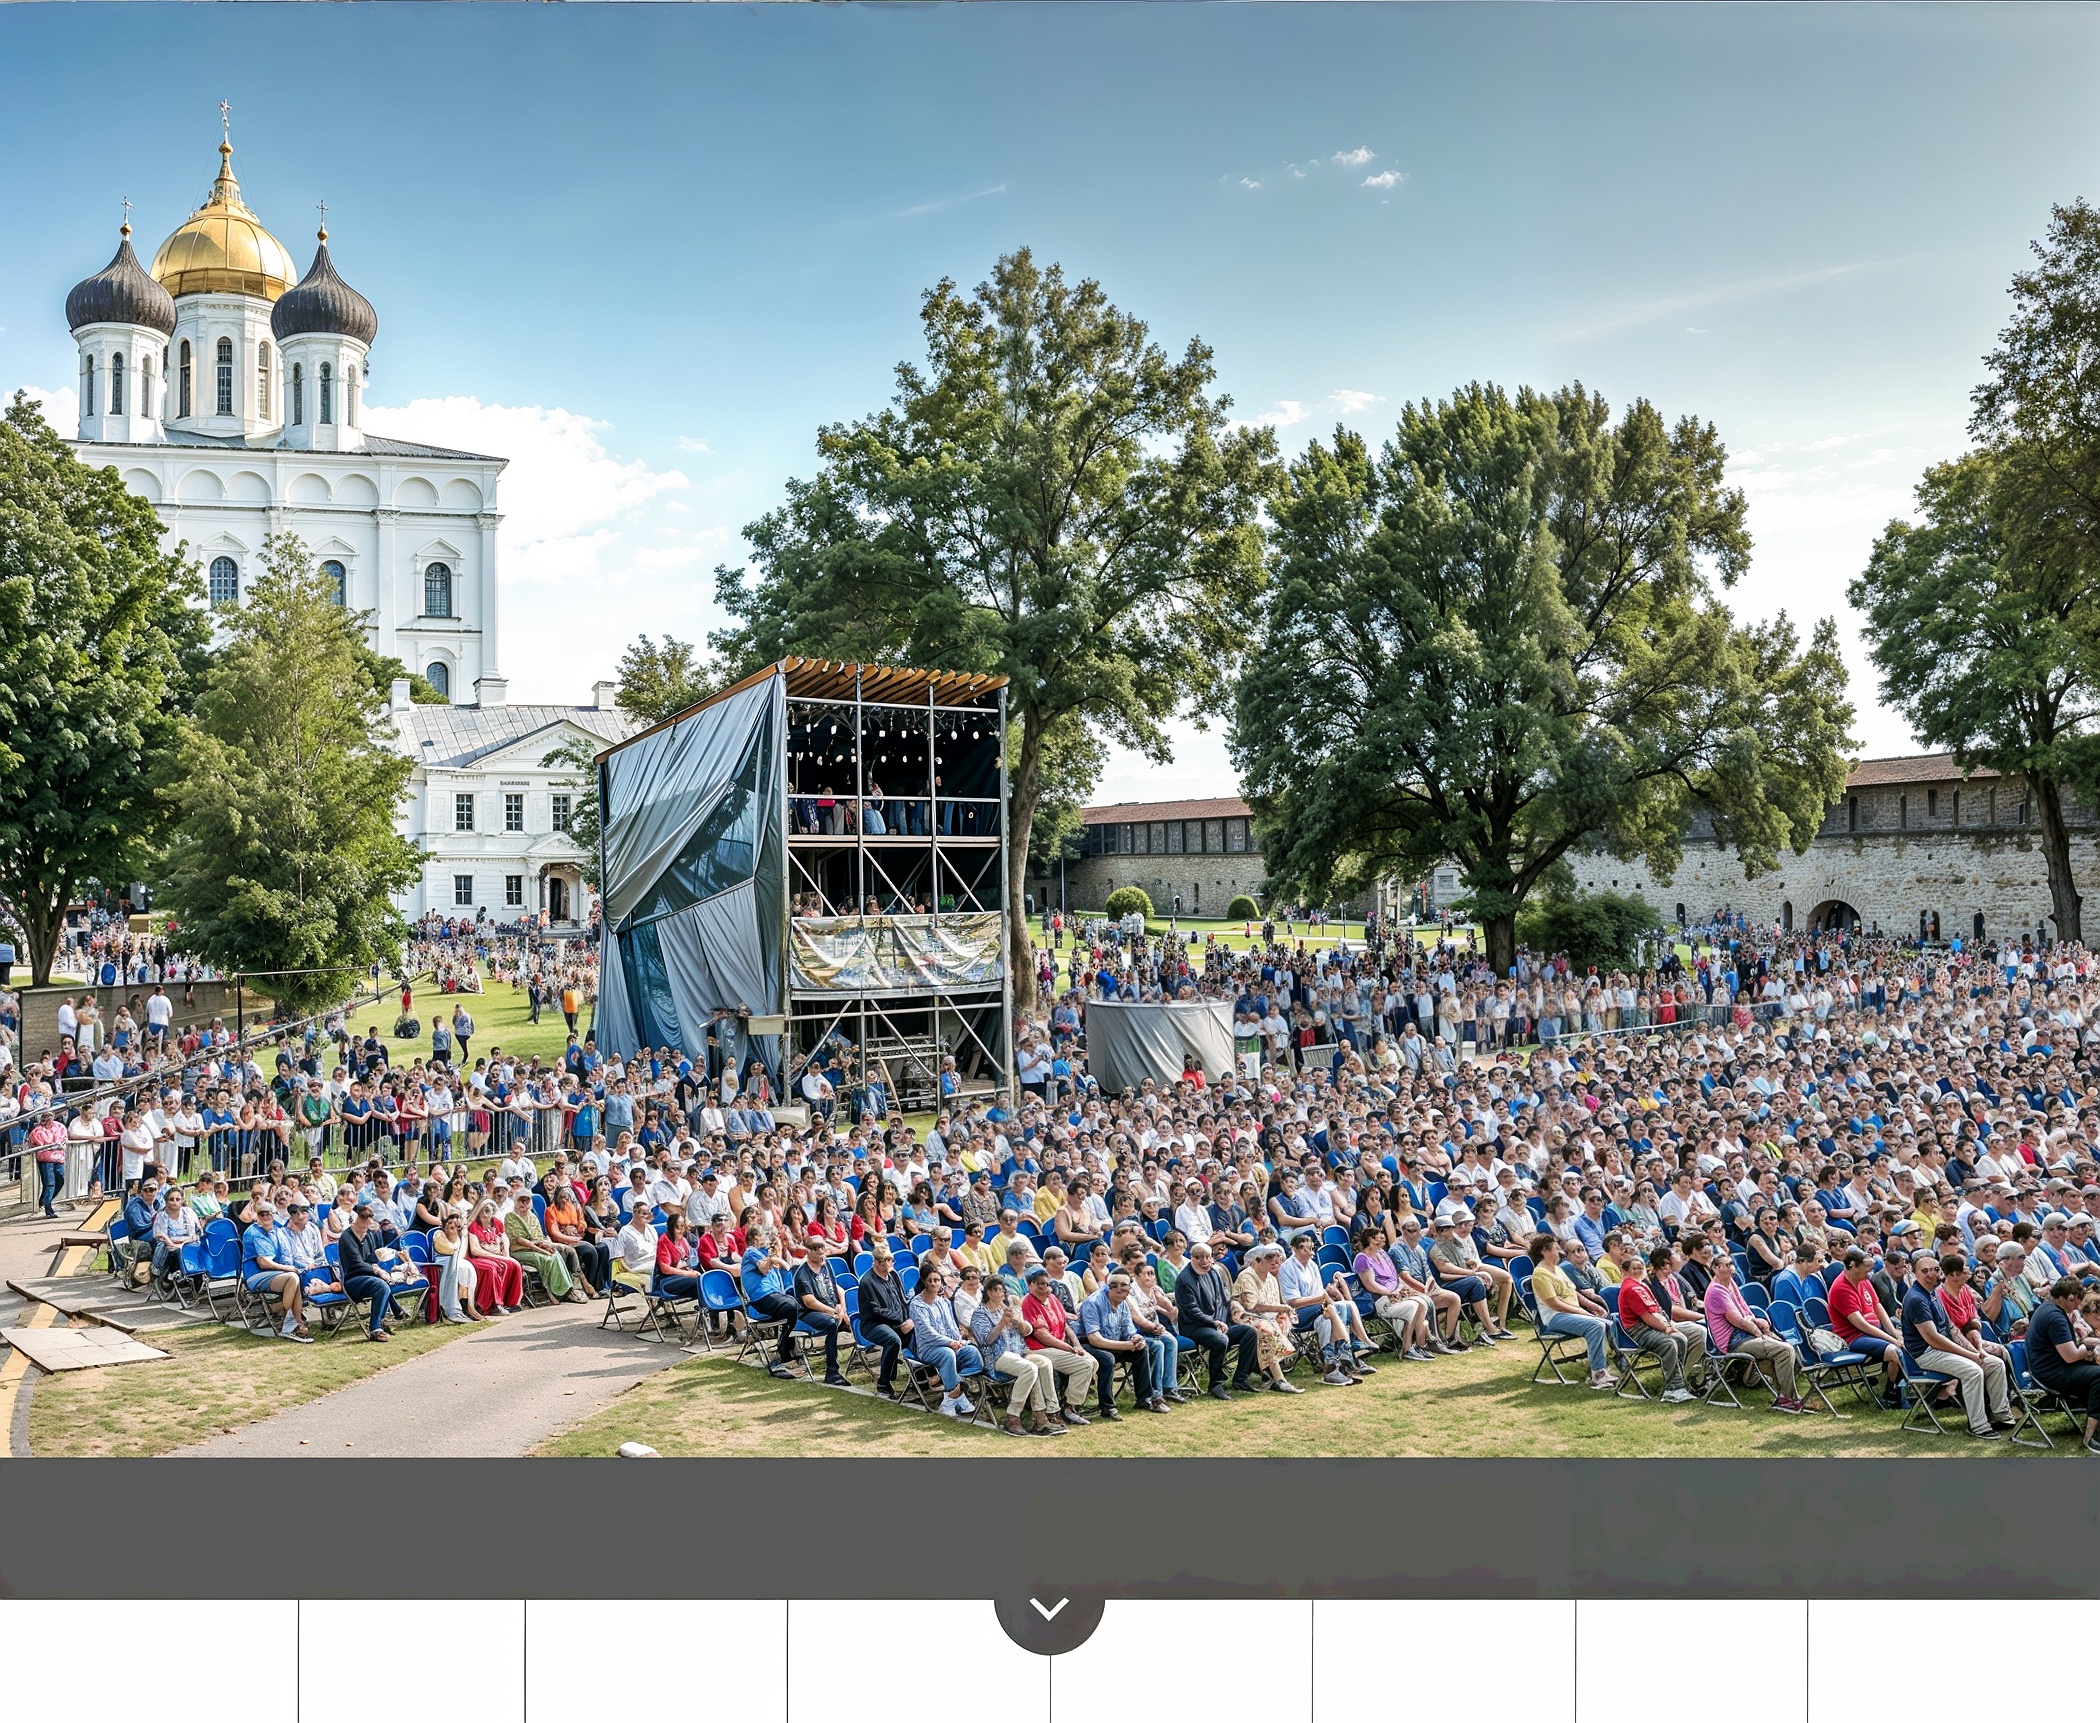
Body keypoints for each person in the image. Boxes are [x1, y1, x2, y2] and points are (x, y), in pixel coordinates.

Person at [1901, 1252, 2014, 1439]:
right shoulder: (1916, 1299)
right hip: (1925, 1354)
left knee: (1995, 1364)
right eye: (1925, 1271)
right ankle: (1978, 1425)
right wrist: (1970, 1356)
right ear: (1915, 1273)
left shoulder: (1932, 1293)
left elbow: (1951, 1328)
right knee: (1973, 1370)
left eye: (1935, 1269)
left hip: (1941, 1349)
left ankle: (2002, 1416)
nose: (1931, 1274)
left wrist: (1976, 1351)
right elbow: (1933, 1339)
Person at [1703, 1247, 1805, 1412]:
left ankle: (1787, 1398)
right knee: (1784, 1350)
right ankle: (1788, 1399)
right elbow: (1738, 1321)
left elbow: (1745, 1309)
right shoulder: (1716, 1291)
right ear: (1715, 1268)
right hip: (1733, 1342)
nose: (1730, 1267)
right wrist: (1761, 1334)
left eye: (1731, 1264)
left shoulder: (1730, 1283)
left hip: (1745, 1335)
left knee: (1781, 1349)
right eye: (1726, 1265)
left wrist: (1757, 1320)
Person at [971, 1276, 1062, 1435]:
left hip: (1019, 1353)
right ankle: (1013, 1417)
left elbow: (1028, 1330)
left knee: (1044, 1363)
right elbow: (986, 1341)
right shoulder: (980, 1313)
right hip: (996, 1357)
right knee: (1029, 1368)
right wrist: (1001, 1324)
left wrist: (1018, 1322)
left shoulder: (1007, 1310)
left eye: (1003, 1290)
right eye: (997, 1290)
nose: (1001, 1293)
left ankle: (1050, 1412)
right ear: (989, 1292)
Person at [1528, 1234, 1615, 1391]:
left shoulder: (1557, 1269)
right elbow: (1555, 1304)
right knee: (1596, 1326)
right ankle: (1598, 1374)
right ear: (1544, 1251)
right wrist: (1583, 1313)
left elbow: (1573, 1292)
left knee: (1612, 1321)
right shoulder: (1540, 1274)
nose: (1560, 1252)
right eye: (1555, 1249)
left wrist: (1592, 1306)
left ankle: (1614, 1366)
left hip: (1571, 1313)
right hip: (1554, 1317)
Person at [1173, 1241, 1261, 1398]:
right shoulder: (1184, 1280)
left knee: (1249, 1333)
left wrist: (1235, 1310)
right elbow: (1192, 1310)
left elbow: (1224, 1299)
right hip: (1194, 1327)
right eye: (1200, 1258)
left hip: (1218, 1324)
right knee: (1220, 1340)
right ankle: (1215, 1384)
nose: (1205, 1261)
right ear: (1192, 1258)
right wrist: (1214, 1322)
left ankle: (1241, 1379)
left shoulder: (1214, 1273)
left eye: (1208, 1257)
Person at [2025, 1276, 2100, 1453]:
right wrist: (2086, 1349)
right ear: (2070, 1297)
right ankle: (2091, 1437)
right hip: (2053, 1373)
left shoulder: (2048, 1308)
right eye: (2077, 1301)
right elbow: (2071, 1356)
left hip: (2050, 1367)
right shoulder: (2054, 1317)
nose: (2077, 1306)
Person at [1616, 1245, 1697, 1402]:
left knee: (1681, 1339)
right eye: (1634, 1268)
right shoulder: (1630, 1288)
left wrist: (1668, 1325)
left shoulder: (1642, 1285)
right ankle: (1672, 1390)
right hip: (1638, 1331)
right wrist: (1667, 1328)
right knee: (1669, 1343)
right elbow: (1646, 1317)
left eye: (1640, 1267)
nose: (1638, 1270)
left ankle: (1679, 1383)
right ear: (1625, 1271)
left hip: (1652, 1326)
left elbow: (1657, 1310)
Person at [1019, 1265, 1097, 1426]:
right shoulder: (1028, 1302)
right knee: (1084, 1365)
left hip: (1060, 1346)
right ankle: (1069, 1407)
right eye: (1041, 1284)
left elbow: (1065, 1325)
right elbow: (1042, 1335)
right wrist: (1069, 1349)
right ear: (1031, 1285)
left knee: (1093, 1362)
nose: (1045, 1288)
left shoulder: (1053, 1299)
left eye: (1047, 1284)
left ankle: (1069, 1401)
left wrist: (1077, 1346)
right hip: (1040, 1349)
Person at [1828, 1247, 1905, 1407]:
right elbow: (1861, 1325)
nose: (1869, 1273)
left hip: (1873, 1330)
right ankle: (1891, 1393)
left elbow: (1877, 1306)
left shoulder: (1863, 1280)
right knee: (1894, 1350)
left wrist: (1894, 1333)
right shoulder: (1840, 1288)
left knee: (1906, 1338)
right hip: (1854, 1337)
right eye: (1866, 1268)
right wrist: (1892, 1339)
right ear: (1852, 1266)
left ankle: (1906, 1387)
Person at [1077, 1271, 1160, 1419]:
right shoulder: (1093, 1303)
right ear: (1110, 1287)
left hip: (1114, 1341)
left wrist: (1135, 1338)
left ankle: (1145, 1398)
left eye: (1124, 1288)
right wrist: (1127, 1346)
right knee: (1107, 1358)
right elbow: (1094, 1339)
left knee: (1145, 1349)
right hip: (1088, 1344)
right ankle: (1107, 1407)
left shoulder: (1123, 1303)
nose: (1120, 1291)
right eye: (1115, 1287)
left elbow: (1129, 1330)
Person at [1230, 1242, 1305, 1393]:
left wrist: (1282, 1313)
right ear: (1257, 1261)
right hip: (1244, 1316)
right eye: (1269, 1257)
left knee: (1283, 1323)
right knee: (1267, 1329)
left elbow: (1273, 1305)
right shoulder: (1247, 1276)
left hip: (1266, 1317)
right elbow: (1252, 1307)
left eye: (1277, 1257)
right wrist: (1280, 1309)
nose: (1274, 1261)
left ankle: (1268, 1372)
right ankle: (1279, 1379)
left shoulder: (1271, 1278)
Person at [907, 1267, 980, 1415]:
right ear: (924, 1282)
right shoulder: (917, 1304)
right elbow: (928, 1333)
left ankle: (951, 1393)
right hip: (929, 1348)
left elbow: (952, 1326)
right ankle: (956, 1395)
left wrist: (958, 1341)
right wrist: (950, 1343)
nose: (934, 1283)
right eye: (930, 1280)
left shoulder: (944, 1302)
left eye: (937, 1280)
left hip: (951, 1345)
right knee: (947, 1354)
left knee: (972, 1352)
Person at [239, 1202, 311, 1343]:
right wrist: (287, 1268)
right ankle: (288, 1323)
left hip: (275, 1273)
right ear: (257, 1215)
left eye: (269, 1214)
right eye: (262, 1214)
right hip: (255, 1275)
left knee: (295, 1278)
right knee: (292, 1278)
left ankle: (293, 1321)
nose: (266, 1217)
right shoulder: (253, 1232)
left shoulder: (276, 1229)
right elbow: (263, 1263)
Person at [336, 1200, 400, 1341]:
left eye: (370, 1216)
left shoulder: (369, 1235)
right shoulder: (346, 1237)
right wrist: (376, 1270)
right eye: (364, 1216)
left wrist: (379, 1253)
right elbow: (356, 1263)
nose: (368, 1219)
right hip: (352, 1280)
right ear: (355, 1218)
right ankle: (375, 1328)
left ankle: (385, 1319)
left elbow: (371, 1258)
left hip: (368, 1277)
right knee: (382, 1285)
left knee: (385, 1281)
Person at [793, 1235, 851, 1387]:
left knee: (854, 1317)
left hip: (831, 1308)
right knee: (831, 1324)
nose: (821, 1254)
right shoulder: (802, 1274)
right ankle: (832, 1372)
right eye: (817, 1251)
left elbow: (837, 1288)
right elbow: (809, 1302)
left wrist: (842, 1307)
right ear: (808, 1251)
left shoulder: (826, 1265)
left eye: (823, 1250)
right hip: (809, 1313)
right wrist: (833, 1311)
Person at [858, 1244, 914, 1401]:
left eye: (892, 1259)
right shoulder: (867, 1282)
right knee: (893, 1340)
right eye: (889, 1260)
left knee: (917, 1331)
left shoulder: (893, 1275)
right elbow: (876, 1311)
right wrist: (901, 1321)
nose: (892, 1263)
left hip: (896, 1320)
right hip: (873, 1324)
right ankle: (883, 1383)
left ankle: (921, 1375)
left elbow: (903, 1299)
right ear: (878, 1262)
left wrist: (910, 1318)